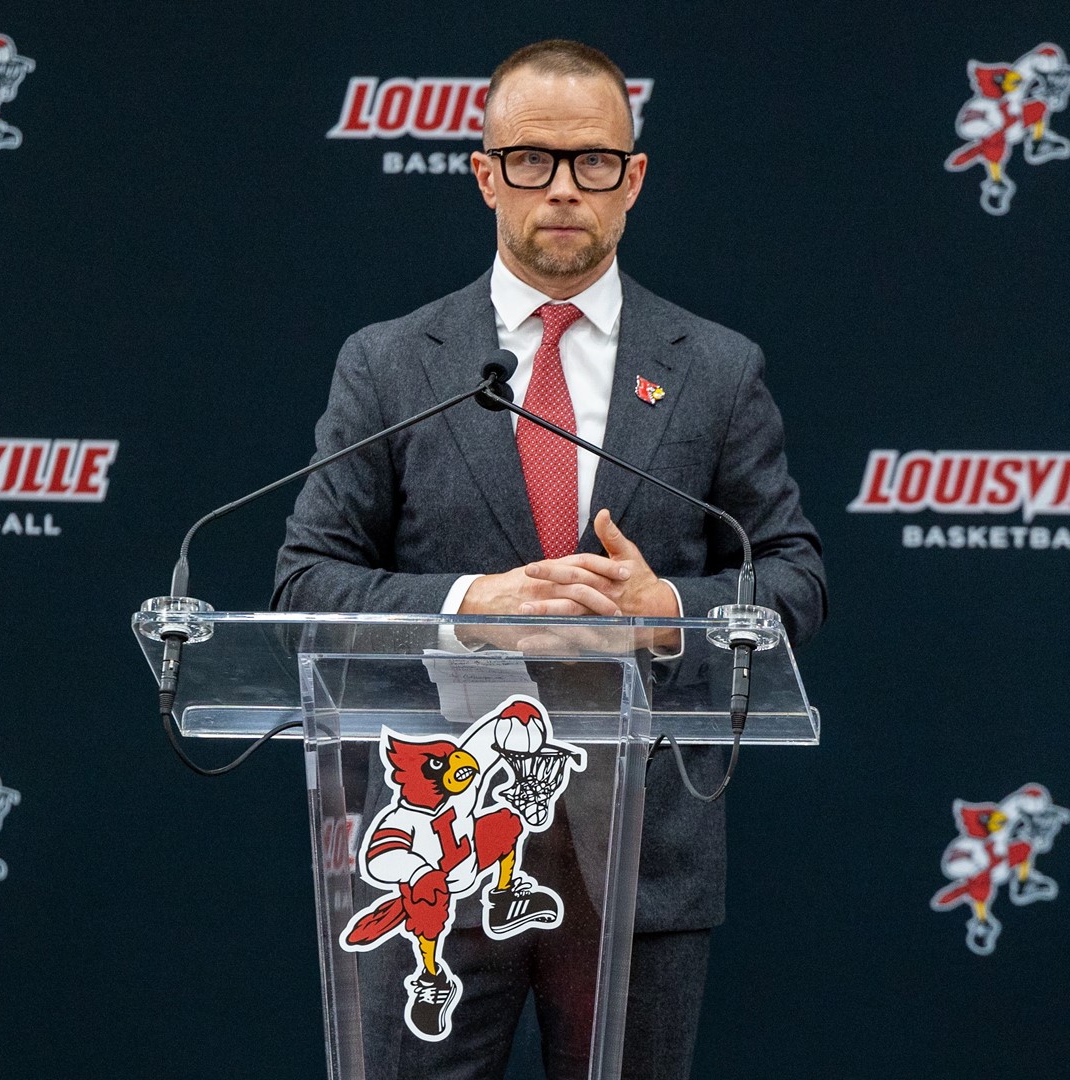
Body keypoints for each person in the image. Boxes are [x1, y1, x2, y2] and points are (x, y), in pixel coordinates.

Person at [273, 39, 826, 1080]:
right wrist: (474, 604)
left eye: (594, 163)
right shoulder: (393, 364)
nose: (563, 189)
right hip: (441, 840)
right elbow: (306, 580)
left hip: (637, 854)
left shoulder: (714, 369)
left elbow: (794, 574)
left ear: (634, 181)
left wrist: (670, 608)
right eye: (531, 160)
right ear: (484, 174)